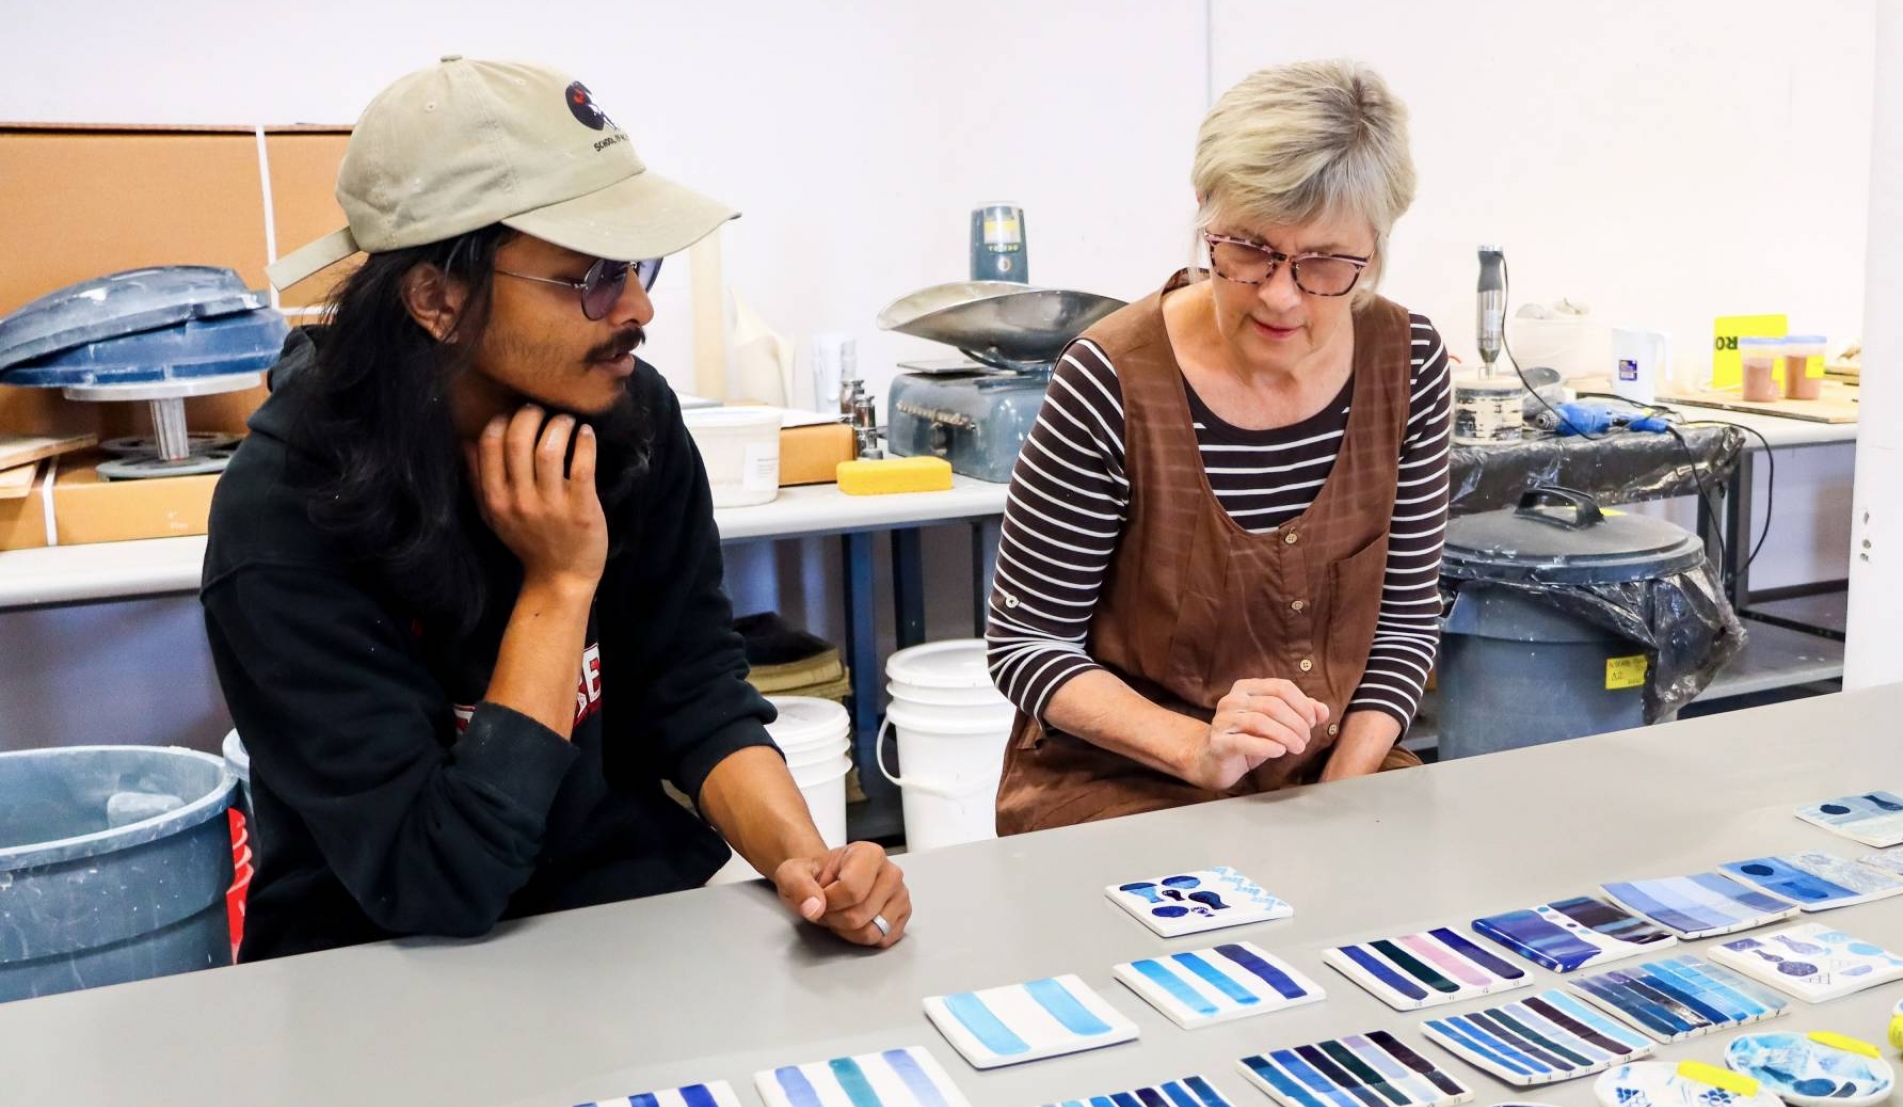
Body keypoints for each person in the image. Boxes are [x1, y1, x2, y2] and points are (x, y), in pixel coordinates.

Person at [203, 56, 909, 958]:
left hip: (615, 931)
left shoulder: (629, 419)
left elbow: (694, 696)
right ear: (437, 297)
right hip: (382, 967)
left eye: (639, 265)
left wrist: (811, 867)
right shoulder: (286, 515)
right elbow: (437, 882)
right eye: (594, 277)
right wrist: (559, 583)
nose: (640, 306)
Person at [984, 59, 1452, 833]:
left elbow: (1404, 623)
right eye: (1247, 249)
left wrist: (1337, 798)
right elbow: (1027, 643)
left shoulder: (1407, 361)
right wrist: (1198, 749)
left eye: (1325, 263)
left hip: (1334, 770)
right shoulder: (1112, 379)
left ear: (1378, 245)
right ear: (1204, 210)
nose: (1280, 293)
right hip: (1126, 783)